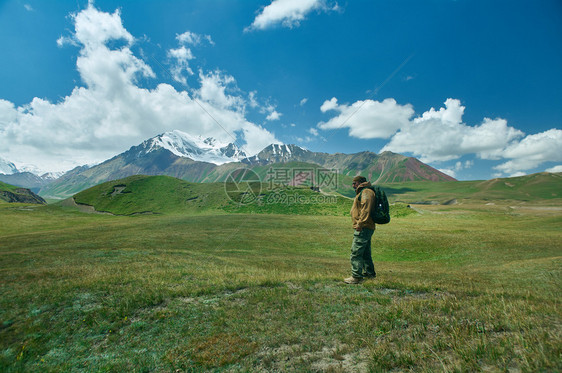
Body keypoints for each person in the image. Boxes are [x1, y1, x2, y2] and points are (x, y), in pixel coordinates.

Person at [344, 175, 377, 284]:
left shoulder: (366, 192)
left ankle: (356, 277)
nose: (353, 185)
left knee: (356, 251)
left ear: (360, 183)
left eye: (355, 183)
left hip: (363, 227)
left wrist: (360, 223)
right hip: (366, 226)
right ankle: (369, 273)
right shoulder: (363, 192)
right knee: (365, 252)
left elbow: (366, 210)